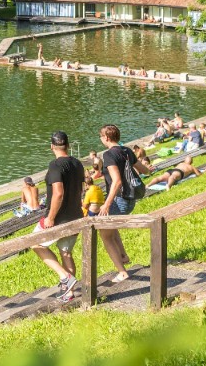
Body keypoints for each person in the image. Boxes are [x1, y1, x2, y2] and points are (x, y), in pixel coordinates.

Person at [31, 131, 86, 300]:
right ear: (68, 146)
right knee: (66, 253)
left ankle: (65, 277)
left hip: (58, 218)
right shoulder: (78, 164)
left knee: (35, 244)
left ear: (51, 147)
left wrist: (51, 218)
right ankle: (68, 293)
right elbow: (81, 189)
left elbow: (58, 193)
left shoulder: (55, 166)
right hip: (76, 215)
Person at [96, 124, 139, 284]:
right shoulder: (126, 150)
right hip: (130, 199)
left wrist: (106, 204)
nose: (101, 139)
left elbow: (117, 181)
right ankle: (123, 255)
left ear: (106, 138)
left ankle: (122, 272)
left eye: (101, 136)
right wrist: (149, 170)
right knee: (111, 228)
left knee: (105, 234)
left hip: (118, 200)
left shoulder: (108, 155)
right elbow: (141, 167)